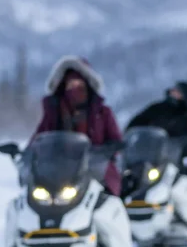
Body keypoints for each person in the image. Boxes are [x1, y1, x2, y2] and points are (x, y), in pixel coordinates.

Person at [31, 55, 123, 195]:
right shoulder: (53, 113)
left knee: (107, 201)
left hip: (97, 171)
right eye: (70, 85)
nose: (75, 90)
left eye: (79, 85)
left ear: (88, 85)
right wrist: (26, 153)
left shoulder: (103, 113)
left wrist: (108, 149)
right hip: (58, 172)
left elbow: (115, 140)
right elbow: (40, 137)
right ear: (62, 87)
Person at [126, 81, 187, 176]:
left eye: (179, 92)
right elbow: (136, 123)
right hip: (144, 158)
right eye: (174, 90)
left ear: (185, 96)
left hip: (169, 164)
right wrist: (129, 137)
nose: (174, 93)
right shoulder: (157, 108)